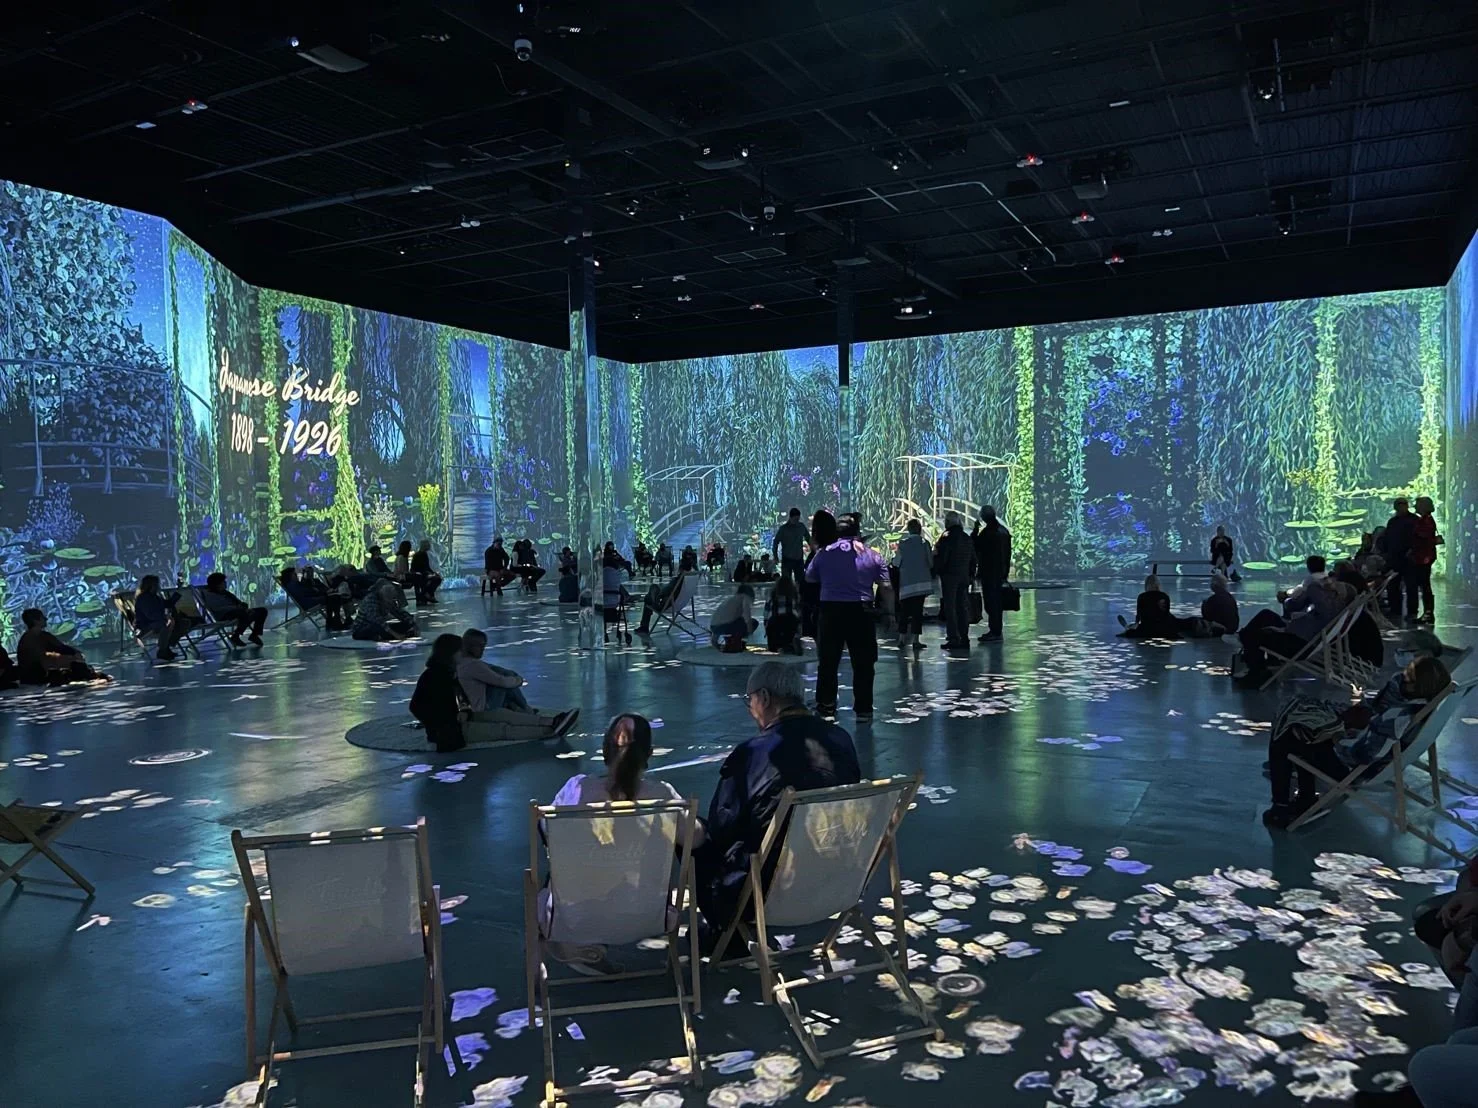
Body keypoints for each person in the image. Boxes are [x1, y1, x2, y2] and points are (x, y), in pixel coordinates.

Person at [693, 662, 861, 950]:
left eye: (749, 700)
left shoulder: (752, 754)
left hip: (768, 888)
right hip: (839, 877)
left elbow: (721, 829)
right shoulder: (840, 739)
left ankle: (728, 935)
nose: (750, 708)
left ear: (764, 698)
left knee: (693, 833)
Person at [540, 713, 685, 973]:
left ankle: (574, 947)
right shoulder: (663, 796)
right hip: (649, 916)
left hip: (574, 919)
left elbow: (547, 833)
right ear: (649, 754)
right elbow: (695, 839)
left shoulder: (576, 789)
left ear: (605, 749)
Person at [1262, 655, 1451, 828]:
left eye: (1407, 676)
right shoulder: (1420, 707)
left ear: (1416, 686)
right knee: (1301, 728)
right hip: (1370, 758)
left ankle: (1281, 807)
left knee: (1289, 734)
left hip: (1352, 768)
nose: (1401, 676)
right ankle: (1305, 797)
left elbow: (1364, 754)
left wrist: (1337, 737)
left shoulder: (1396, 717)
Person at [806, 511, 889, 722]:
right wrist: (891, 613)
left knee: (828, 661)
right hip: (862, 611)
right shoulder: (872, 555)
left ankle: (826, 706)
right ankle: (864, 709)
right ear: (858, 532)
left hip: (831, 611)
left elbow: (810, 578)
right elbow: (886, 586)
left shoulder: (824, 554)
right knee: (863, 662)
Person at [456, 628, 576, 739]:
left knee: (505, 677)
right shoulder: (472, 665)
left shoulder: (464, 662)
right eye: (481, 646)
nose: (483, 649)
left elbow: (491, 668)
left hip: (473, 706)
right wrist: (518, 680)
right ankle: (531, 712)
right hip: (481, 709)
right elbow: (501, 681)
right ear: (470, 646)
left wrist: (511, 675)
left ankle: (524, 709)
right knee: (506, 683)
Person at [1235, 575, 1354, 679]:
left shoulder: (1330, 609)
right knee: (1266, 615)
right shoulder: (1334, 608)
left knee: (1251, 635)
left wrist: (1320, 583)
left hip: (1298, 645)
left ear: (1339, 595)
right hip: (1298, 635)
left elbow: (1313, 589)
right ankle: (1263, 657)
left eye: (1334, 589)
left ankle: (1256, 672)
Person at [16, 608, 108, 684]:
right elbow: (61, 648)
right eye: (43, 618)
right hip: (38, 675)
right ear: (36, 621)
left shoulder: (25, 637)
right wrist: (77, 654)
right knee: (77, 665)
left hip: (26, 676)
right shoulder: (41, 635)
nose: (46, 619)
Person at [410, 634, 469, 753]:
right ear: (451, 653)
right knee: (500, 729)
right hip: (450, 729)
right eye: (460, 651)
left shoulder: (450, 672)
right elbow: (415, 706)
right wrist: (437, 727)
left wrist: (465, 712)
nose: (463, 654)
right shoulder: (431, 676)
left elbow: (461, 698)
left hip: (459, 722)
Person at [933, 511, 976, 652]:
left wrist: (936, 570)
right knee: (962, 607)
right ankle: (964, 637)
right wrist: (971, 575)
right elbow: (973, 559)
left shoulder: (946, 538)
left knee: (950, 608)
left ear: (947, 523)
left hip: (950, 577)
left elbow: (942, 558)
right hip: (964, 577)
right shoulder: (966, 538)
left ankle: (953, 638)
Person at [892, 518, 934, 652]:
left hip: (907, 584)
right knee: (918, 612)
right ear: (920, 529)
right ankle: (916, 640)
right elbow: (931, 563)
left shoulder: (903, 544)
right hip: (922, 584)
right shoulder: (925, 543)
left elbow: (896, 563)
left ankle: (901, 639)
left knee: (904, 612)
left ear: (908, 530)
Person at [972, 505, 1012, 644]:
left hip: (989, 572)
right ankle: (996, 631)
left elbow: (976, 546)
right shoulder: (1003, 531)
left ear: (983, 517)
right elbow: (1008, 553)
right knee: (997, 603)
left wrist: (975, 530)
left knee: (991, 602)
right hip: (1001, 572)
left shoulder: (988, 532)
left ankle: (995, 632)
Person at [201, 572, 267, 646]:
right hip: (224, 615)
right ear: (217, 584)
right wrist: (238, 608)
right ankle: (236, 636)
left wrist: (242, 606)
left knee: (262, 611)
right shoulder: (209, 595)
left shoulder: (225, 593)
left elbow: (237, 601)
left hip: (236, 611)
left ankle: (254, 635)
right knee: (244, 613)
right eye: (223, 582)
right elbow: (217, 609)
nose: (225, 583)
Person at [133, 574, 189, 659]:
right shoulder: (143, 598)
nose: (158, 586)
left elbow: (169, 603)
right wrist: (165, 617)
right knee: (165, 623)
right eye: (157, 584)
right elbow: (150, 615)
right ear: (151, 585)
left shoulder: (155, 597)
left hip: (157, 622)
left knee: (185, 623)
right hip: (146, 626)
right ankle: (163, 650)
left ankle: (166, 646)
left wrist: (179, 589)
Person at [1382, 498, 1417, 618]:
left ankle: (1412, 610)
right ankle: (1395, 609)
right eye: (1399, 505)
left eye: (1403, 504)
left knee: (1411, 585)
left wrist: (1412, 550)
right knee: (1393, 584)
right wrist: (1387, 553)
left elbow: (1417, 538)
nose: (1401, 507)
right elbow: (1387, 538)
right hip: (1394, 558)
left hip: (1409, 558)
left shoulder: (1414, 520)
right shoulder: (1392, 522)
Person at [1408, 495, 1441, 624]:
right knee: (1424, 585)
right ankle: (1428, 613)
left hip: (1424, 557)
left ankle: (1428, 613)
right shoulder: (1426, 519)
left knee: (1425, 585)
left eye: (1417, 504)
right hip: (1424, 556)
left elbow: (1423, 536)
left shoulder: (1425, 520)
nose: (1415, 507)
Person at [352, 578, 418, 641]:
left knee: (404, 625)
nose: (391, 599)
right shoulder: (370, 599)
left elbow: (399, 612)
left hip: (379, 626)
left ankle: (384, 636)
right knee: (378, 628)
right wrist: (395, 634)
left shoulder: (388, 599)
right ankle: (383, 636)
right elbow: (377, 620)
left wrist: (412, 624)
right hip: (363, 628)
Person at [772, 508, 811, 590]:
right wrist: (775, 556)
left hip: (799, 559)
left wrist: (813, 551)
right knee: (786, 582)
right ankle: (788, 596)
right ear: (790, 517)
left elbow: (808, 539)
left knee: (800, 582)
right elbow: (776, 542)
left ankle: (799, 596)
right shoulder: (783, 529)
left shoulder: (801, 527)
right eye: (795, 519)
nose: (797, 521)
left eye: (798, 519)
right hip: (787, 559)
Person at [710, 584, 757, 651]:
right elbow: (747, 617)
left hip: (714, 627)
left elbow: (719, 619)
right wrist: (749, 632)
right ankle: (737, 643)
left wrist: (714, 640)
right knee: (753, 622)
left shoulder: (731, 599)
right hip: (726, 627)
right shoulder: (745, 598)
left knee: (739, 620)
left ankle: (732, 642)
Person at [764, 577, 802, 654]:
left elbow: (766, 614)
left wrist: (766, 628)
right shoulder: (794, 596)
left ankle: (778, 646)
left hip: (774, 622)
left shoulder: (771, 597)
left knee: (772, 648)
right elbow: (799, 613)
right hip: (791, 621)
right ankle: (790, 644)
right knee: (791, 632)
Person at [409, 540, 442, 604]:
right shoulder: (420, 554)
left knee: (436, 578)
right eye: (428, 545)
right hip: (419, 574)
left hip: (422, 573)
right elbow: (420, 568)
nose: (429, 546)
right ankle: (426, 594)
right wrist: (431, 574)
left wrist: (433, 573)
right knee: (437, 579)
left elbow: (426, 567)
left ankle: (426, 594)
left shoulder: (423, 554)